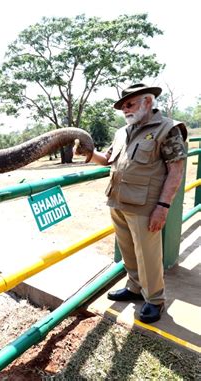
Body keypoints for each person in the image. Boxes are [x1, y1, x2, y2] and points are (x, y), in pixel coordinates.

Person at [76, 83, 187, 324]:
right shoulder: (121, 132)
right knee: (128, 252)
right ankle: (135, 289)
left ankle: (155, 300)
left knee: (148, 255)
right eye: (123, 106)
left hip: (146, 206)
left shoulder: (167, 129)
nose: (125, 109)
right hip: (118, 202)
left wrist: (163, 207)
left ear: (148, 102)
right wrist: (88, 152)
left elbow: (176, 171)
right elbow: (107, 160)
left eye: (130, 103)